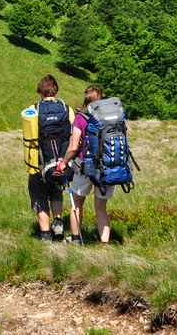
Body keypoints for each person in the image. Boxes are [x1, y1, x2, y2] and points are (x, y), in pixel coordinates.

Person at [56, 85, 113, 244]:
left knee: (77, 203)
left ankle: (75, 239)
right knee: (101, 207)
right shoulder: (110, 117)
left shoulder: (81, 118)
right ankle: (105, 244)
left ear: (86, 99)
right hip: (107, 167)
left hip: (85, 167)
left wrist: (64, 162)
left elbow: (73, 147)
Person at [27, 75, 72, 241]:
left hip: (39, 162)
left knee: (39, 195)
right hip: (61, 162)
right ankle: (58, 223)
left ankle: (46, 235)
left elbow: (29, 137)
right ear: (56, 89)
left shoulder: (33, 109)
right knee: (56, 191)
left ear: (41, 90)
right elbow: (73, 136)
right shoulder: (66, 108)